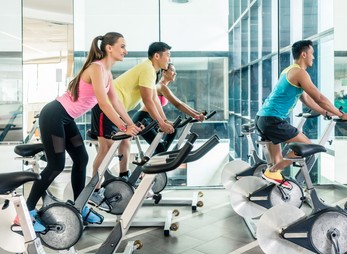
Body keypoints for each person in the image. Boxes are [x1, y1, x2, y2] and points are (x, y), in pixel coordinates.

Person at [16, 32, 142, 232]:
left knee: (81, 159)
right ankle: (25, 213)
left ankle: (78, 206)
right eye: (122, 46)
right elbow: (102, 102)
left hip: (65, 118)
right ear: (109, 48)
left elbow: (115, 102)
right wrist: (122, 126)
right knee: (55, 165)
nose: (125, 51)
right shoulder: (96, 68)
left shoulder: (107, 74)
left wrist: (130, 124)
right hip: (54, 115)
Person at [256, 39, 347, 187]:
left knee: (278, 164)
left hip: (262, 118)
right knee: (307, 146)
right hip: (273, 120)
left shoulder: (288, 70)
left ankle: (274, 184)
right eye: (312, 54)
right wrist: (342, 115)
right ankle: (271, 172)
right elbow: (320, 97)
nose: (313, 57)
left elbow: (306, 99)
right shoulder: (300, 72)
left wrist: (325, 112)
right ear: (303, 54)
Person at [89, 42, 175, 207]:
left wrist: (163, 120)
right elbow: (147, 100)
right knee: (106, 148)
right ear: (157, 56)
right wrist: (160, 123)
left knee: (126, 141)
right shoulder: (147, 69)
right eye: (167, 55)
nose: (169, 58)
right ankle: (94, 190)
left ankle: (124, 177)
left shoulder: (151, 71)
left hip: (118, 108)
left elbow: (155, 99)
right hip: (105, 108)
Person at [132, 62, 206, 154]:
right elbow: (178, 104)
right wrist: (196, 115)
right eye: (173, 70)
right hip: (143, 118)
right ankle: (155, 163)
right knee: (160, 148)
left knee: (172, 131)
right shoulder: (161, 86)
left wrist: (197, 114)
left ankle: (159, 160)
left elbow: (180, 102)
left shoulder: (163, 87)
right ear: (164, 72)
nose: (175, 73)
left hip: (152, 118)